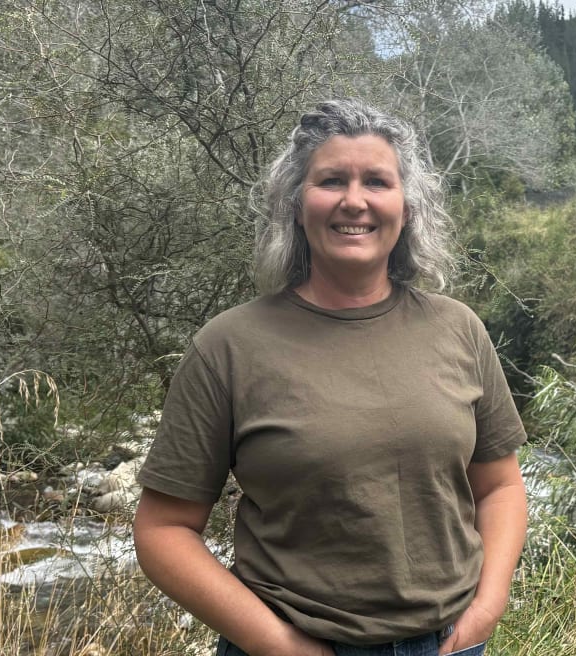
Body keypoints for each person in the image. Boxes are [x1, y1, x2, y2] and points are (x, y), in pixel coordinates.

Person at [133, 99, 528, 656]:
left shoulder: (458, 328)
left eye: (377, 182)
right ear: (296, 205)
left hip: (450, 644)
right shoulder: (229, 346)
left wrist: (489, 602)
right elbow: (162, 532)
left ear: (407, 207)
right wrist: (273, 641)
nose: (354, 200)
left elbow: (501, 486)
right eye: (331, 180)